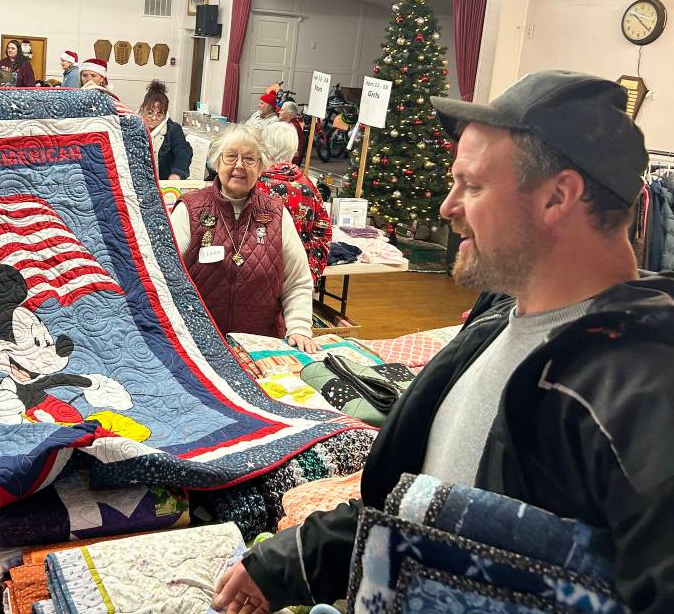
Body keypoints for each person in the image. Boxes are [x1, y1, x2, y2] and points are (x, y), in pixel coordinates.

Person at [212, 71, 674, 614]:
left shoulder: (641, 394)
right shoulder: (499, 322)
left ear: (558, 197)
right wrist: (297, 559)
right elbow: (430, 500)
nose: (447, 208)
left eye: (473, 186)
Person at [169, 124, 320, 352]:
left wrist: (299, 328)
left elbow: (297, 281)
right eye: (231, 157)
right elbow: (165, 277)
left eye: (249, 159)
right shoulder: (190, 210)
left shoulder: (277, 214)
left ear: (260, 167)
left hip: (261, 348)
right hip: (196, 346)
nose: (239, 165)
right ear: (217, 162)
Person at [258, 122, 331, 281]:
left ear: (264, 146)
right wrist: (311, 273)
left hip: (259, 274)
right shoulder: (309, 186)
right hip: (298, 272)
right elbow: (323, 230)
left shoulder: (255, 184)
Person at [140, 80, 192, 180]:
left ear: (164, 115)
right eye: (150, 113)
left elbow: (183, 153)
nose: (154, 118)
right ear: (143, 109)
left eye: (159, 115)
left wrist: (177, 174)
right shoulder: (132, 126)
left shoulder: (173, 130)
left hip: (163, 184)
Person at [278, 101, 306, 166]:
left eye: (282, 110)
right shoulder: (290, 124)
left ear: (290, 113)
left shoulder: (292, 127)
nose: (279, 112)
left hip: (288, 164)